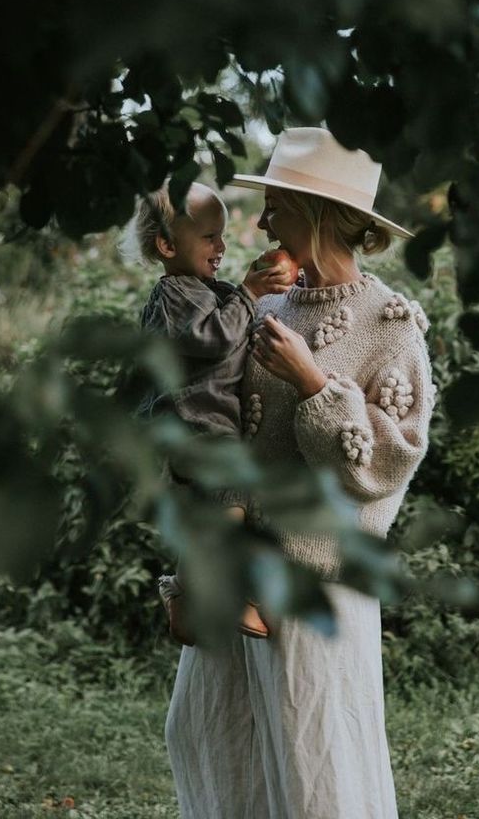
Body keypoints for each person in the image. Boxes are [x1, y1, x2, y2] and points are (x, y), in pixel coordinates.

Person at [165, 127, 435, 819]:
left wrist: (316, 383)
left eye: (276, 208)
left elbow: (383, 468)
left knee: (315, 765)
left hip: (315, 582)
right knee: (214, 740)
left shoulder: (392, 324)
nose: (261, 224)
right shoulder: (263, 305)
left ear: (318, 215)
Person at [133, 179, 293, 644]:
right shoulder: (173, 294)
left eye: (222, 236)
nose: (221, 246)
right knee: (234, 496)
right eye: (209, 237)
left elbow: (229, 313)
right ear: (166, 244)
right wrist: (247, 293)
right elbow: (217, 337)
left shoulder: (200, 288)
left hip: (203, 425)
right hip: (192, 425)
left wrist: (255, 286)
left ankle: (183, 602)